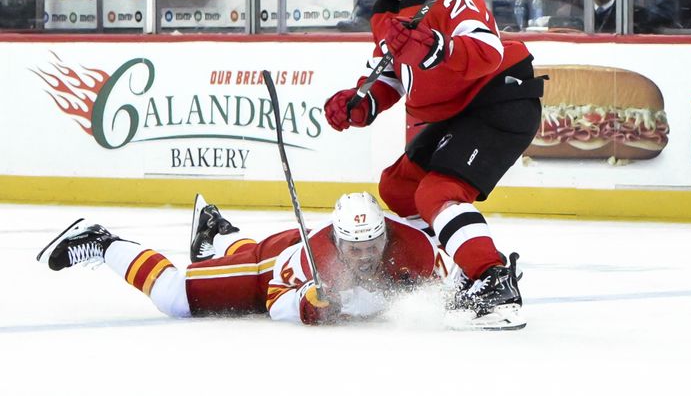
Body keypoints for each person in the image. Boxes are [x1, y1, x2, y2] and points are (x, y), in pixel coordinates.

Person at [324, 0, 539, 329]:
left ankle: (493, 284)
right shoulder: (393, 15)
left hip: (498, 101)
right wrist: (360, 102)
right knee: (399, 185)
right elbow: (389, 74)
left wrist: (438, 47)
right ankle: (454, 265)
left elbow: (488, 51)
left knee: (437, 192)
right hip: (457, 113)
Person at [37, 192, 442, 325]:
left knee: (244, 254)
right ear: (338, 241)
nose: (366, 257)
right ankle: (103, 241)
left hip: (279, 250)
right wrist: (312, 302)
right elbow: (274, 299)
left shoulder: (416, 249)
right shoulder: (313, 255)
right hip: (270, 267)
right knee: (177, 298)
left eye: (372, 245)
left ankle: (217, 232)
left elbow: (446, 284)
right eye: (355, 249)